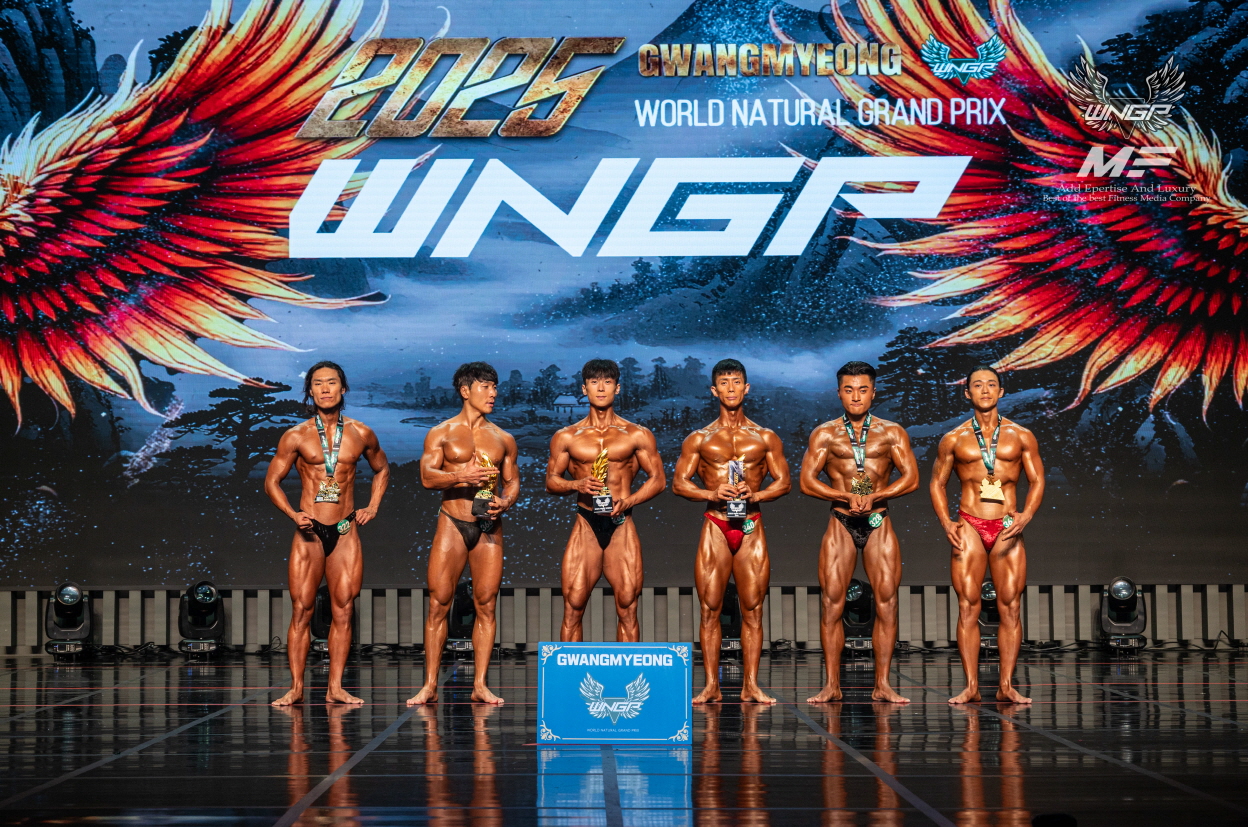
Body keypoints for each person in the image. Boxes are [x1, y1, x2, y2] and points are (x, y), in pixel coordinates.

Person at [265, 361, 390, 705]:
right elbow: (272, 481)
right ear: (310, 391)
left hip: (345, 530)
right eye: (318, 383)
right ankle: (296, 688)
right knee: (302, 610)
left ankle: (335, 687)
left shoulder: (362, 433)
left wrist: (373, 506)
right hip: (309, 533)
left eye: (331, 382)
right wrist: (293, 513)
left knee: (343, 610)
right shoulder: (296, 436)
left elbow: (382, 469)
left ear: (342, 388)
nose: (324, 389)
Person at [800, 361, 918, 704]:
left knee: (887, 602)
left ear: (873, 393)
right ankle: (831, 685)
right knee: (831, 603)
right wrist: (845, 496)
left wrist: (875, 496)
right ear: (838, 393)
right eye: (849, 390)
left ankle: (883, 684)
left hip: (878, 521)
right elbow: (807, 481)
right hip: (841, 521)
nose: (856, 397)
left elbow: (911, 478)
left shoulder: (892, 432)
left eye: (863, 390)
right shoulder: (824, 434)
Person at [673, 359, 790, 704]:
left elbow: (784, 482)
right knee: (710, 608)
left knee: (753, 609)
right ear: (714, 390)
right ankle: (711, 685)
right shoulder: (700, 439)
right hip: (716, 524)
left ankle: (751, 685)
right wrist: (711, 493)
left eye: (736, 382)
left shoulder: (765, 437)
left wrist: (757, 494)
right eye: (723, 383)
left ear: (746, 387)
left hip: (751, 524)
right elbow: (679, 483)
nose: (730, 388)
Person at [930, 365, 1044, 704]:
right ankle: (971, 686)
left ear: (1001, 391)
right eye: (977, 385)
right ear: (967, 393)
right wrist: (946, 522)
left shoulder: (1021, 436)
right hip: (969, 525)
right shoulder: (953, 438)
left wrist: (1027, 515)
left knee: (1011, 607)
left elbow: (1037, 480)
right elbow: (937, 483)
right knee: (968, 607)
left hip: (1007, 527)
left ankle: (1006, 685)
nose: (984, 390)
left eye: (991, 385)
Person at [407, 362, 519, 706]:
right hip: (452, 524)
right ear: (465, 391)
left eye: (495, 387)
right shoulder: (441, 433)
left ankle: (480, 685)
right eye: (486, 387)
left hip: (488, 526)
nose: (493, 393)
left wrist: (506, 501)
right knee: (438, 603)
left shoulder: (503, 438)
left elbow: (512, 481)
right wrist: (461, 477)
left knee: (486, 605)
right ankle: (429, 685)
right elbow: (427, 477)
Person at [546, 358, 665, 641]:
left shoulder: (637, 434)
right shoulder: (566, 436)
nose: (601, 388)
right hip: (586, 523)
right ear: (584, 388)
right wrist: (576, 484)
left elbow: (658, 480)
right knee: (573, 605)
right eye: (594, 382)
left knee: (628, 605)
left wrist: (629, 501)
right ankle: (572, 671)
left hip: (621, 522)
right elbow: (551, 481)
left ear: (617, 388)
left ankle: (628, 671)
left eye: (607, 382)